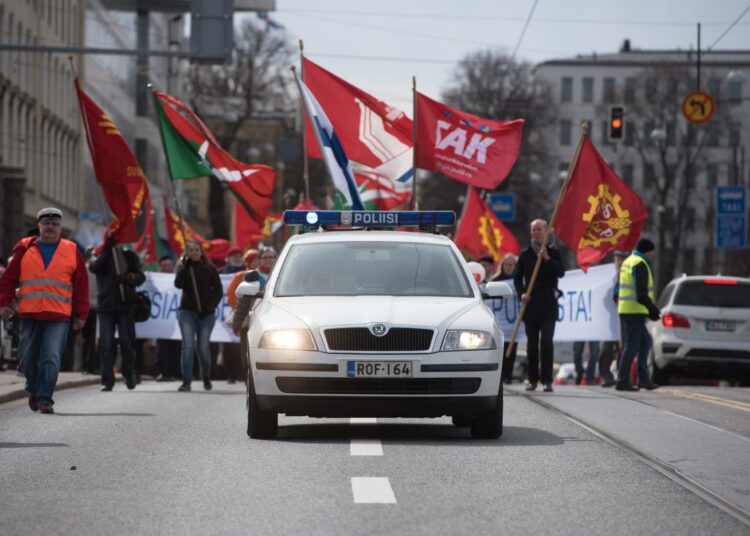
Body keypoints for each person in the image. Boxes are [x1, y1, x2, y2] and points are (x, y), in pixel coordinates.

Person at [0, 208, 89, 413]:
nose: (50, 227)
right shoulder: (24, 247)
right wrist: (4, 303)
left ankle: (45, 399)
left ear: (60, 228)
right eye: (46, 224)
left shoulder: (72, 250)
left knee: (51, 356)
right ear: (39, 226)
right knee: (27, 358)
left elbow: (82, 286)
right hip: (29, 314)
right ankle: (33, 388)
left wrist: (82, 315)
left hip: (59, 316)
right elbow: (8, 279)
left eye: (54, 224)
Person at [514, 219, 565, 393]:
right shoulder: (526, 254)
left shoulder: (554, 252)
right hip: (531, 304)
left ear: (546, 232)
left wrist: (547, 259)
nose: (536, 232)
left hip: (549, 304)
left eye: (539, 229)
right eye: (533, 230)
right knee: (532, 345)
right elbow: (517, 277)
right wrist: (522, 293)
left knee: (546, 343)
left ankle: (547, 380)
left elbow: (561, 272)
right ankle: (532, 378)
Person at [89, 236, 146, 391]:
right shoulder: (102, 255)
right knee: (106, 344)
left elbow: (141, 276)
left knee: (127, 342)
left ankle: (129, 374)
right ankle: (107, 380)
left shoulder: (129, 255)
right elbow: (93, 268)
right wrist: (106, 251)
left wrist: (128, 277)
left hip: (125, 306)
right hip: (106, 307)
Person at [175, 240, 223, 392]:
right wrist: (183, 268)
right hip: (187, 312)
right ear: (187, 253)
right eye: (191, 250)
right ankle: (186, 381)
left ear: (201, 252)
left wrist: (209, 307)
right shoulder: (184, 267)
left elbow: (218, 291)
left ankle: (206, 376)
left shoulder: (209, 269)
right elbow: (178, 284)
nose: (194, 252)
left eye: (197, 250)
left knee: (203, 347)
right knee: (188, 346)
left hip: (206, 314)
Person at [616, 238, 661, 391]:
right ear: (647, 251)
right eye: (652, 251)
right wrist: (652, 308)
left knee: (645, 342)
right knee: (632, 347)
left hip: (628, 309)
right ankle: (622, 380)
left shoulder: (629, 261)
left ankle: (643, 379)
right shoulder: (640, 264)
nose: (654, 255)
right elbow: (641, 293)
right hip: (634, 311)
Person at [224, 249, 259, 384]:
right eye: (254, 259)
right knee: (244, 349)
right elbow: (232, 294)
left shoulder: (272, 275)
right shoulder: (241, 276)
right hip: (246, 318)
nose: (257, 262)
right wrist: (237, 308)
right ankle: (244, 376)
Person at [598, 250, 629, 388]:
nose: (620, 262)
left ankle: (623, 376)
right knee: (607, 350)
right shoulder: (609, 278)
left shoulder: (630, 274)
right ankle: (606, 376)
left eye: (623, 258)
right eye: (618, 259)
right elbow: (604, 298)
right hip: (612, 319)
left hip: (626, 316)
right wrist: (612, 301)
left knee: (623, 348)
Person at [492, 253, 519, 384]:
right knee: (500, 349)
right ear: (502, 265)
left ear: (515, 266)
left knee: (512, 349)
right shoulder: (495, 280)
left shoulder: (519, 281)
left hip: (513, 323)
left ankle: (508, 375)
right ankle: (500, 375)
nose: (509, 267)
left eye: (511, 265)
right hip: (500, 323)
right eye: (506, 264)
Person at [155, 255, 181, 382]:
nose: (165, 268)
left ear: (172, 267)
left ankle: (175, 373)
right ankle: (163, 372)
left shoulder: (179, 279)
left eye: (168, 265)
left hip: (176, 320)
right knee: (162, 347)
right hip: (162, 320)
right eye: (163, 265)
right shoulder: (156, 281)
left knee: (176, 347)